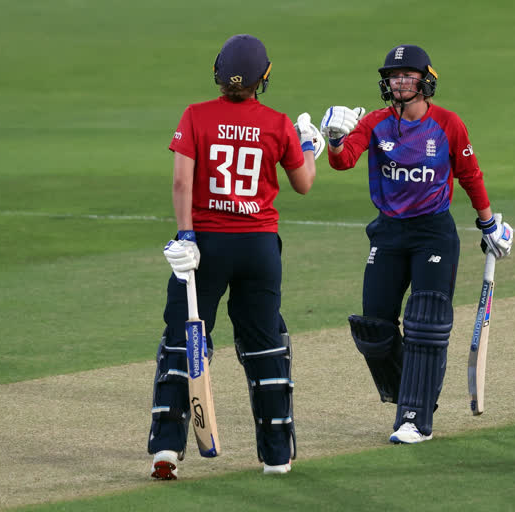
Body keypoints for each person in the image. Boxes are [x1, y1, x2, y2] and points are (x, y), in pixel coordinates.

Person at [148, 34, 323, 479]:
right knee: (265, 346)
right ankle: (277, 455)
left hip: (206, 246)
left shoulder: (196, 116)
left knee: (180, 342)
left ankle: (167, 449)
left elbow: (181, 184)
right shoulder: (278, 122)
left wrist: (186, 236)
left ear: (218, 73)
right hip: (259, 247)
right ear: (264, 77)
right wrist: (308, 145)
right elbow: (304, 184)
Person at [320, 44, 513, 444]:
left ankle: (414, 417)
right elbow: (343, 161)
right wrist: (336, 140)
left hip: (433, 232)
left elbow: (470, 174)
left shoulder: (447, 124)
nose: (400, 82)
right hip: (389, 232)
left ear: (425, 80)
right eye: (394, 76)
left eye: (408, 75)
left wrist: (488, 224)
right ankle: (415, 390)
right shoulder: (374, 123)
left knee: (425, 323)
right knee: (374, 327)